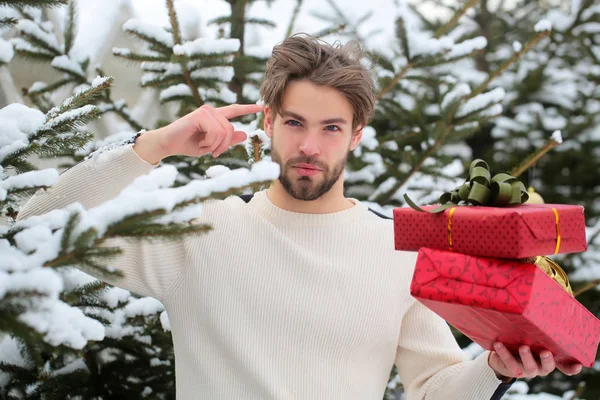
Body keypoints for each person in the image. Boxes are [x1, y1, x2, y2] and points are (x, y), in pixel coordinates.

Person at [17, 34, 582, 400]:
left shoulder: (399, 249)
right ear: (268, 123)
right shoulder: (197, 231)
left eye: (331, 127)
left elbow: (434, 387)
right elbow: (34, 226)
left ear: (356, 135)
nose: (310, 145)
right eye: (294, 123)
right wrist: (156, 145)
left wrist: (498, 368)